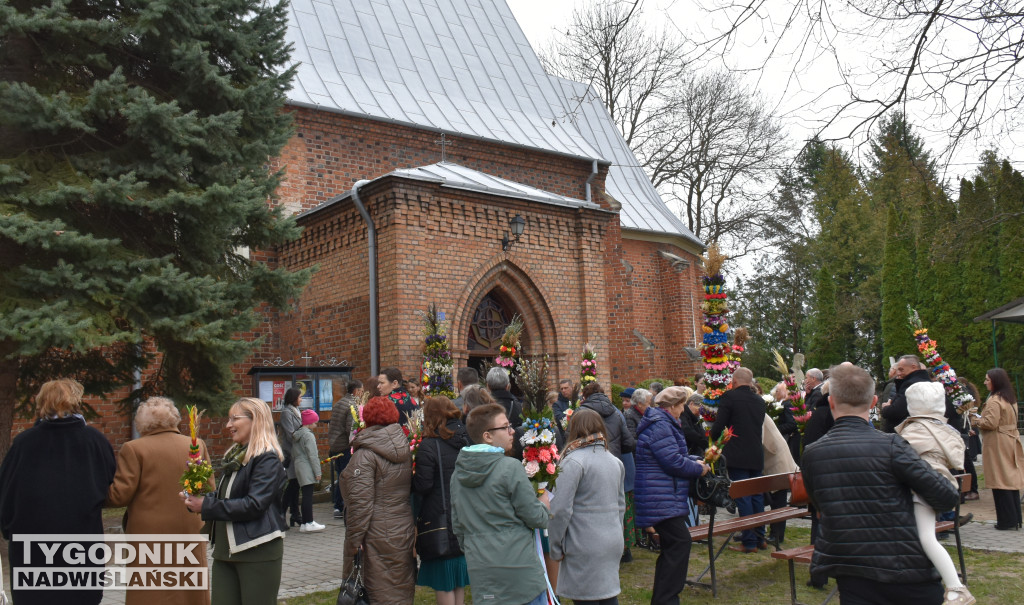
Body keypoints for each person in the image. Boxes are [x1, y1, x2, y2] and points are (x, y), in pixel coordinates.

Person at [801, 363, 959, 605]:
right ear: (874, 402)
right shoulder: (893, 446)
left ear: (831, 402)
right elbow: (946, 496)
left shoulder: (812, 454)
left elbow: (820, 508)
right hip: (906, 571)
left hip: (854, 573)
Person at [0, 379, 116, 605]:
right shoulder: (95, 441)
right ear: (76, 401)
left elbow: (6, 492)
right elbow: (110, 484)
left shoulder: (24, 444)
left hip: (32, 550)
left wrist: (9, 530)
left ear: (42, 403)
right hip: (81, 545)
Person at [107, 396, 213, 605]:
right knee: (189, 589)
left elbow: (120, 495)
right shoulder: (196, 444)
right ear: (174, 418)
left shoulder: (134, 448)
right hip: (189, 528)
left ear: (142, 422)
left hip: (149, 534)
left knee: (151, 591)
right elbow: (208, 487)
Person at [185, 397, 287, 605]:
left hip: (257, 550)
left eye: (234, 419)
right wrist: (199, 500)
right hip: (226, 551)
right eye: (228, 419)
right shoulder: (237, 456)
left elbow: (254, 504)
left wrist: (206, 506)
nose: (228, 425)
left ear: (256, 420)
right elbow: (230, 495)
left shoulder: (266, 458)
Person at [451, 403, 551, 605]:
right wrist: (544, 505)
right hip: (520, 572)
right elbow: (536, 517)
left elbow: (459, 527)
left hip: (482, 570)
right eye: (505, 427)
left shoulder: (457, 475)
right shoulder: (510, 468)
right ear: (487, 436)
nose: (512, 431)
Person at [895, 381, 974, 605]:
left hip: (921, 486)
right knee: (923, 536)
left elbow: (899, 452)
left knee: (926, 536)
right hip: (934, 483)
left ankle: (956, 588)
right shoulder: (942, 427)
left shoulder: (918, 430)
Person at [635, 383, 711, 605]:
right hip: (660, 497)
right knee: (680, 543)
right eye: (681, 406)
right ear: (673, 406)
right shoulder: (661, 426)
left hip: (663, 495)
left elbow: (674, 456)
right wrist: (698, 468)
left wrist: (694, 460)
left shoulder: (664, 423)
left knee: (673, 545)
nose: (682, 410)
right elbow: (672, 462)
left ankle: (664, 598)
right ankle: (667, 599)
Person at [341, 396, 417, 603]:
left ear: (367, 418)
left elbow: (360, 503)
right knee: (399, 588)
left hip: (375, 532)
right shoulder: (404, 447)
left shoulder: (365, 455)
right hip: (401, 526)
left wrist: (355, 540)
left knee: (377, 591)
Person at [549, 408, 626, 605]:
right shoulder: (615, 461)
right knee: (607, 596)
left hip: (583, 543)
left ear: (574, 429)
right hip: (611, 540)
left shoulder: (573, 462)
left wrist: (556, 546)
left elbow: (559, 510)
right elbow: (620, 506)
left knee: (587, 599)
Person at [413, 397, 472, 605]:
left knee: (445, 581)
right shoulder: (467, 438)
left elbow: (424, 485)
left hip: (440, 516)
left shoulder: (429, 445)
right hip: (465, 514)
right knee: (458, 580)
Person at [711, 367, 767, 553]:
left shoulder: (730, 397)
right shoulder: (759, 400)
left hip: (737, 453)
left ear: (734, 382)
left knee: (743, 496)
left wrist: (713, 439)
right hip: (756, 453)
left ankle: (749, 542)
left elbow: (719, 426)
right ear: (750, 382)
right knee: (757, 495)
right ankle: (761, 537)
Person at [975, 368, 1024, 530]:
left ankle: (1006, 521)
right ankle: (1015, 518)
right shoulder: (1009, 398)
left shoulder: (995, 400)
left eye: (987, 379)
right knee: (1010, 481)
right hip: (1010, 440)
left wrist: (975, 420)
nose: (985, 382)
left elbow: (990, 423)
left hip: (998, 442)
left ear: (995, 381)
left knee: (1000, 481)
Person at [329, 378, 362, 518]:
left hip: (335, 444)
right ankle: (340, 506)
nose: (362, 393)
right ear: (356, 391)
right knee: (345, 476)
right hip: (344, 446)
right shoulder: (352, 405)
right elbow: (352, 428)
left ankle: (338, 505)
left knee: (340, 475)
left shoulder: (339, 403)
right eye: (361, 391)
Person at [580, 381, 636, 457]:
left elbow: (570, 439)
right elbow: (629, 443)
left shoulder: (580, 412)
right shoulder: (616, 413)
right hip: (613, 460)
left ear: (585, 397)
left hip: (589, 459)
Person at [880, 355, 931, 432]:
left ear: (913, 367)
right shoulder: (929, 383)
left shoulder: (910, 385)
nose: (899, 373)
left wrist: (886, 408)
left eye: (901, 370)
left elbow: (896, 411)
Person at [292, 409, 324, 532]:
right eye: (315, 422)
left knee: (305, 493)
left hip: (299, 465)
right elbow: (313, 455)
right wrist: (318, 472)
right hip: (307, 466)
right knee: (308, 496)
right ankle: (309, 521)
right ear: (309, 423)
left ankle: (305, 524)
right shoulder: (308, 435)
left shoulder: (298, 434)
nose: (316, 425)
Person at [486, 366, 525, 458]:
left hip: (490, 453)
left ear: (488, 386)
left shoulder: (483, 406)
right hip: (513, 452)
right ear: (508, 386)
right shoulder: (517, 405)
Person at [279, 387, 303, 527]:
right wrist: (304, 435)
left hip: (298, 451)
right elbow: (290, 433)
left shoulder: (296, 411)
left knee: (296, 483)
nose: (301, 399)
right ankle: (281, 512)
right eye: (299, 397)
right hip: (291, 452)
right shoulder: (286, 413)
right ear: (293, 398)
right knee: (293, 483)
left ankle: (295, 514)